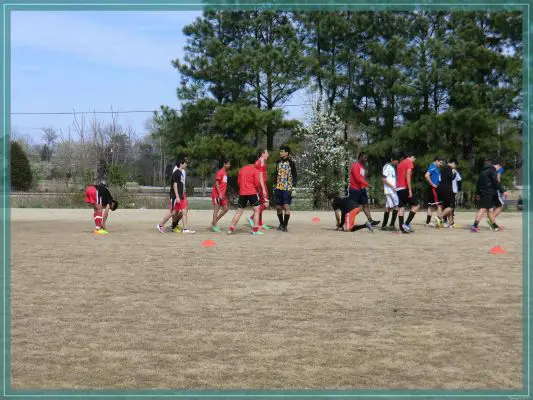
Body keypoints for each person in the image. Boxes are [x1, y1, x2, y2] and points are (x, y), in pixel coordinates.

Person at [228, 154, 269, 235]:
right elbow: (257, 183)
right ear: (255, 161)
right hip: (252, 192)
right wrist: (257, 190)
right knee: (256, 211)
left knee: (239, 212)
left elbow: (239, 182)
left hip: (242, 193)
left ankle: (231, 229)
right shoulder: (256, 171)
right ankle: (255, 230)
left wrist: (243, 188)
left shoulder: (242, 170)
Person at [156, 159, 195, 234]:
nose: (186, 165)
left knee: (184, 211)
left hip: (181, 195)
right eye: (185, 163)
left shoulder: (181, 173)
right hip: (175, 196)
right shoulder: (176, 173)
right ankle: (160, 225)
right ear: (181, 164)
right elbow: (175, 184)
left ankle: (185, 229)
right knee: (173, 212)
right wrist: (177, 196)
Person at [471, 159, 506, 233]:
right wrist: (502, 191)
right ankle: (474, 226)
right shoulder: (492, 171)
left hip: (483, 192)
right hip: (488, 192)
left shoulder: (483, 171)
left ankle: (494, 226)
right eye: (500, 168)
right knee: (483, 208)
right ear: (498, 165)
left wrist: (477, 193)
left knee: (490, 209)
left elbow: (478, 183)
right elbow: (495, 182)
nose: (499, 169)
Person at [349, 152, 380, 227]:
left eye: (366, 157)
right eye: (364, 157)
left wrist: (365, 185)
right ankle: (349, 221)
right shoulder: (355, 165)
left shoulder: (362, 167)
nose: (366, 159)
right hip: (354, 189)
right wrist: (367, 185)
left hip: (362, 189)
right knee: (354, 207)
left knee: (365, 205)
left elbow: (362, 178)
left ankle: (370, 220)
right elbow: (357, 178)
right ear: (360, 157)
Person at [274, 145, 297, 232]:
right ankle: (281, 223)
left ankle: (285, 226)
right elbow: (276, 175)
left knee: (286, 206)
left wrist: (294, 187)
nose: (280, 153)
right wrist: (274, 185)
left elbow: (295, 175)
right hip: (278, 187)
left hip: (288, 187)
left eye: (282, 151)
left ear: (287, 153)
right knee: (278, 207)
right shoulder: (278, 162)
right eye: (280, 151)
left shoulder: (291, 163)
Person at [396, 151, 420, 233]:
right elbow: (408, 176)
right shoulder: (409, 162)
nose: (414, 160)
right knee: (416, 205)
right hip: (404, 187)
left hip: (398, 188)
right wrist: (410, 189)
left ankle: (401, 228)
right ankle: (406, 224)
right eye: (414, 158)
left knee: (401, 207)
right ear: (411, 156)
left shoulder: (400, 164)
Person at [248, 149, 271, 230]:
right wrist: (263, 188)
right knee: (266, 203)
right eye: (267, 153)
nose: (268, 154)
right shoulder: (260, 162)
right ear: (262, 154)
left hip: (260, 185)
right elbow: (260, 176)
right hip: (262, 185)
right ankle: (252, 217)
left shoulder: (259, 162)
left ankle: (260, 223)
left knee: (261, 203)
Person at [211, 158, 231, 232]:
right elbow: (216, 183)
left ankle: (214, 221)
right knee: (216, 209)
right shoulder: (220, 172)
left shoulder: (225, 172)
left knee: (226, 209)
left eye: (229, 164)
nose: (229, 165)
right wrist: (219, 194)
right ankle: (214, 226)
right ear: (224, 164)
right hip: (217, 194)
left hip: (222, 194)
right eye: (228, 164)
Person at [381, 153, 399, 231]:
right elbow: (384, 179)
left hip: (391, 190)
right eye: (395, 161)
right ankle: (391, 224)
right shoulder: (387, 166)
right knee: (397, 206)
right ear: (392, 159)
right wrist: (392, 187)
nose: (396, 163)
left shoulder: (392, 167)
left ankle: (384, 225)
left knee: (388, 206)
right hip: (390, 190)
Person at [424, 156, 444, 228]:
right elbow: (426, 175)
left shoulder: (436, 167)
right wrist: (432, 184)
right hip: (434, 189)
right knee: (439, 205)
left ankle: (427, 222)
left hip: (435, 189)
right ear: (436, 161)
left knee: (431, 206)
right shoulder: (432, 166)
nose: (441, 164)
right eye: (440, 162)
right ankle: (439, 221)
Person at [438, 159, 458, 227]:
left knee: (447, 206)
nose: (455, 166)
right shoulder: (448, 169)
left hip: (442, 189)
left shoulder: (443, 169)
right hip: (448, 190)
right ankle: (439, 217)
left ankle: (451, 223)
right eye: (455, 165)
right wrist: (454, 173)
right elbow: (452, 178)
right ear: (452, 163)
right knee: (451, 206)